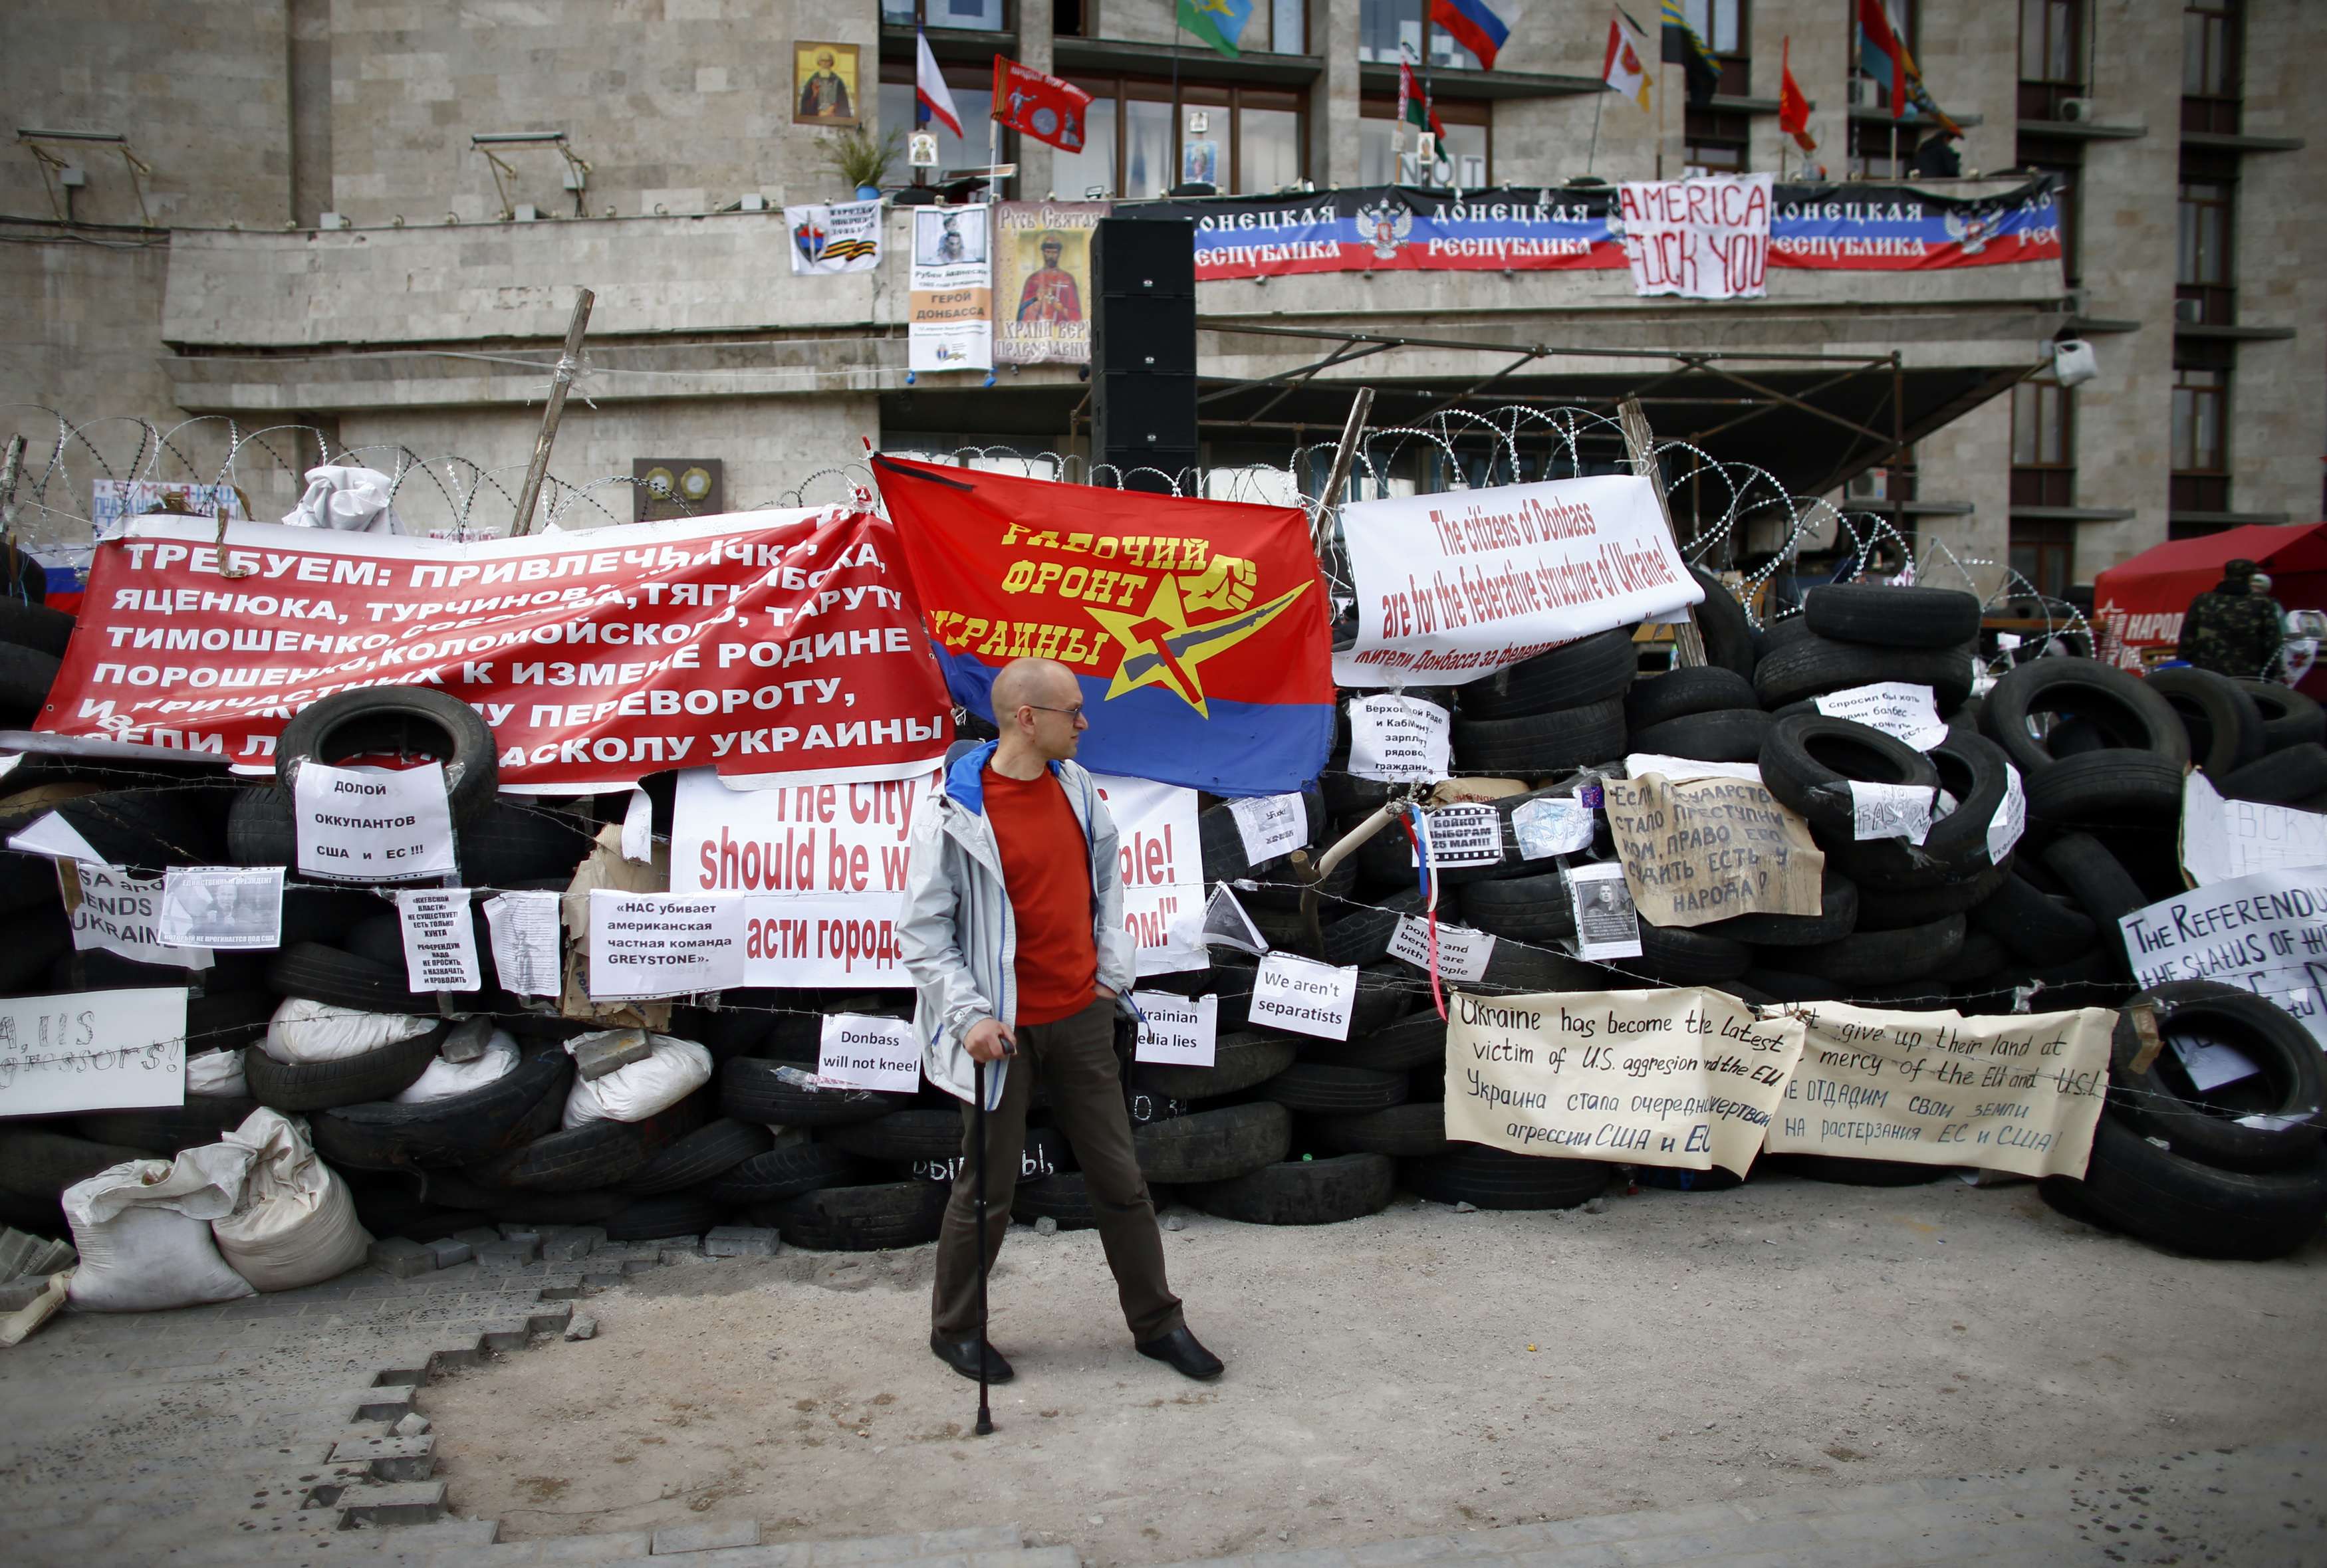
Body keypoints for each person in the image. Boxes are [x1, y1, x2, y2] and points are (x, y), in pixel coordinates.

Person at [900, 657, 1222, 1387]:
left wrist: (1110, 977)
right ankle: (955, 1330)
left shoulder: (1076, 790)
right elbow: (922, 934)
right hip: (999, 1033)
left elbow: (1108, 885)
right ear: (1025, 718)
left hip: (1080, 1019)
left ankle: (1158, 1324)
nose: (1083, 722)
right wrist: (969, 1017)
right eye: (1071, 710)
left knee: (1120, 1179)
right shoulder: (953, 811)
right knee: (986, 1190)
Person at [2177, 557, 2286, 681]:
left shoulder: (2202, 601)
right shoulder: (2262, 603)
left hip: (2206, 676)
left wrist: (2183, 669)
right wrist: (2274, 675)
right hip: (2247, 677)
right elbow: (2272, 642)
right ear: (2250, 578)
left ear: (2226, 575)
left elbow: (2187, 639)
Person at [1015, 233, 1082, 324]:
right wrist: (1037, 301)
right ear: (1043, 253)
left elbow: (1077, 316)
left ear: (1059, 253)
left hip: (1062, 329)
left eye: (1054, 252)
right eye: (1048, 252)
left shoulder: (1068, 279)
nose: (1051, 256)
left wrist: (1061, 309)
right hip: (1039, 330)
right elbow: (1022, 316)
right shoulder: (1033, 279)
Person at [798, 51, 852, 120]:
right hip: (817, 116)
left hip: (833, 116)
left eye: (828, 61)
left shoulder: (837, 81)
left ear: (831, 62)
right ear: (819, 62)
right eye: (823, 60)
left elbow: (843, 102)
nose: (825, 63)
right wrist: (814, 96)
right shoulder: (813, 80)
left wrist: (834, 108)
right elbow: (806, 103)